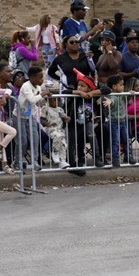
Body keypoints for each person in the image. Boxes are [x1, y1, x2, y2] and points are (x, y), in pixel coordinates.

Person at [46, 35, 96, 174]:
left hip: (84, 97)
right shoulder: (61, 59)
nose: (75, 44)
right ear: (66, 45)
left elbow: (92, 72)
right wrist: (62, 80)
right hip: (68, 97)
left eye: (77, 42)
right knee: (70, 129)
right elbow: (50, 72)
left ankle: (81, 158)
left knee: (82, 128)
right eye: (72, 42)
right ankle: (70, 160)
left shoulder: (84, 56)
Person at [16, 66, 48, 170]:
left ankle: (34, 161)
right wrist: (42, 94)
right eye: (40, 77)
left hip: (30, 116)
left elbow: (38, 102)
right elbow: (32, 99)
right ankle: (17, 161)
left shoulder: (37, 88)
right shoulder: (26, 86)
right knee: (23, 141)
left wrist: (46, 97)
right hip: (19, 116)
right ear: (31, 77)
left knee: (35, 138)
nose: (42, 80)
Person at [105, 75, 135, 168]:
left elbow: (127, 99)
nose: (123, 87)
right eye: (121, 85)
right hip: (114, 122)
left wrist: (130, 93)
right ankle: (115, 158)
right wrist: (109, 102)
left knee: (126, 139)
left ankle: (128, 156)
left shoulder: (121, 95)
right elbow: (112, 100)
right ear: (114, 87)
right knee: (116, 141)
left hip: (123, 121)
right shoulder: (112, 95)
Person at [42, 95, 70, 169]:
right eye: (54, 100)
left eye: (58, 100)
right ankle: (55, 151)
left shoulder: (60, 109)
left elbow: (64, 117)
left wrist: (67, 118)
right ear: (49, 101)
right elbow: (41, 119)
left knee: (63, 142)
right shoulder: (46, 108)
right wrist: (45, 123)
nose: (56, 102)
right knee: (57, 136)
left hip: (59, 129)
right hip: (51, 129)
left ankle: (63, 160)